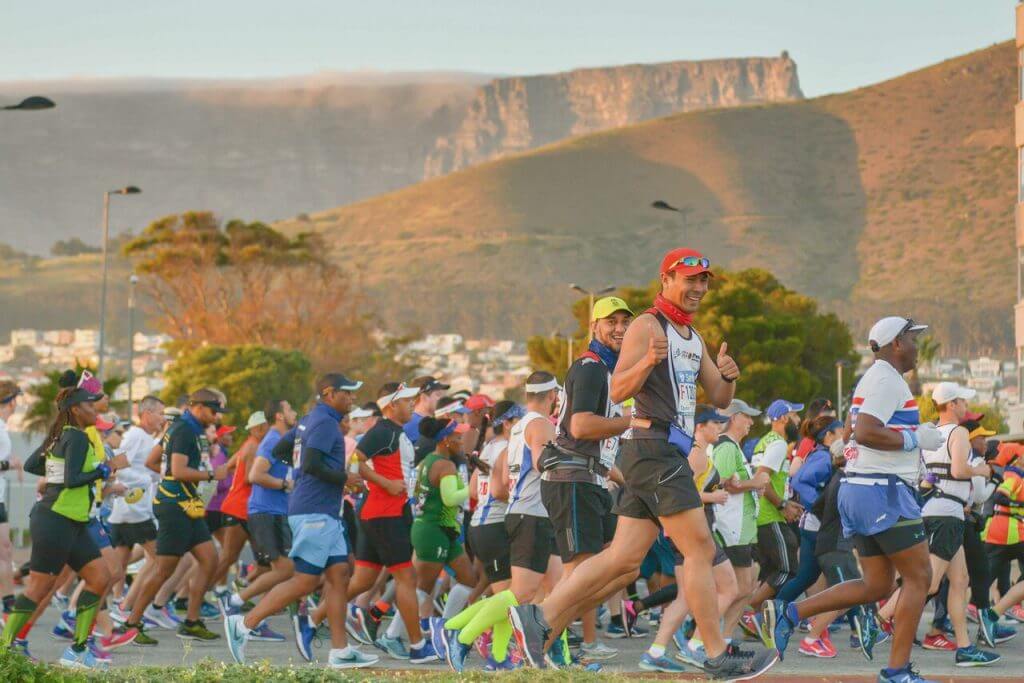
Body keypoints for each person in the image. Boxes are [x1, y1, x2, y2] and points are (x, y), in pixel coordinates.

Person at [509, 248, 776, 679]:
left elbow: (720, 399)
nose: (698, 288)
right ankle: (714, 653)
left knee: (622, 559)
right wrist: (649, 360)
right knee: (701, 549)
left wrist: (728, 374)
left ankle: (539, 618)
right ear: (666, 279)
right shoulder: (646, 326)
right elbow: (618, 391)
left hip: (657, 451)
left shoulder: (693, 337)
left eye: (704, 281)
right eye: (689, 279)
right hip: (653, 448)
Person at [764, 316, 944, 683]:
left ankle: (792, 613)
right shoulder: (886, 379)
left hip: (864, 489)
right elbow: (862, 432)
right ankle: (896, 671)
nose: (916, 345)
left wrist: (907, 435)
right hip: (883, 492)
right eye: (912, 338)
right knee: (920, 577)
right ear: (895, 343)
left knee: (877, 586)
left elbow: (848, 432)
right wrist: (914, 440)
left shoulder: (873, 378)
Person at [226, 373, 380, 669]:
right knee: (306, 579)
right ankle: (244, 623)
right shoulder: (323, 423)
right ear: (328, 393)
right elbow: (310, 463)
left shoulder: (311, 420)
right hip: (315, 511)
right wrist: (342, 478)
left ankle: (340, 651)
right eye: (347, 393)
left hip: (322, 509)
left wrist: (304, 477)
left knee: (339, 576)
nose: (352, 398)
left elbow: (283, 451)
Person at [436, 371, 563, 672]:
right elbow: (544, 464)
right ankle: (462, 635)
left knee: (527, 591)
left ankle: (462, 630)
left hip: (518, 514)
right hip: (530, 515)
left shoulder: (518, 429)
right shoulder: (541, 425)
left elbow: (503, 482)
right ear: (552, 395)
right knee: (520, 594)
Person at [1, 372, 127, 669]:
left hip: (73, 520)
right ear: (75, 409)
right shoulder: (77, 437)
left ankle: (78, 651)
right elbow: (72, 480)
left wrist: (54, 475)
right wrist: (106, 470)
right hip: (56, 519)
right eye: (90, 405)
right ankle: (7, 648)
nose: (95, 410)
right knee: (38, 588)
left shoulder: (61, 435)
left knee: (101, 577)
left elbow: (33, 465)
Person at [544, 296, 633, 663]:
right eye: (610, 321)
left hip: (587, 478)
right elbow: (580, 426)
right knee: (577, 574)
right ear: (593, 327)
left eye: (624, 322)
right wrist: (632, 421)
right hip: (572, 478)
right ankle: (547, 644)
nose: (619, 329)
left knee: (608, 569)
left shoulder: (608, 371)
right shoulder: (590, 366)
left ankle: (550, 640)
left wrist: (620, 477)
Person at [121, 388, 228, 645]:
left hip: (188, 506)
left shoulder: (189, 429)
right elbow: (178, 471)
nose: (217, 418)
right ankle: (132, 624)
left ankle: (191, 621)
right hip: (174, 508)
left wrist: (175, 477)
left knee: (210, 559)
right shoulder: (184, 430)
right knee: (163, 569)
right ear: (199, 406)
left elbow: (152, 461)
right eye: (214, 411)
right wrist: (211, 475)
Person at [904, 383, 997, 664]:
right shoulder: (958, 433)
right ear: (952, 405)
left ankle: (965, 647)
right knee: (929, 583)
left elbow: (923, 476)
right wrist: (981, 469)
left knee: (960, 580)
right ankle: (879, 621)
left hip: (934, 508)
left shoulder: (930, 432)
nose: (967, 407)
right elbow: (958, 470)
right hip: (948, 515)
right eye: (963, 402)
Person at [348, 382, 437, 663]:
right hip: (385, 513)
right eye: (407, 400)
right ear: (390, 405)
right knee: (406, 578)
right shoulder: (383, 430)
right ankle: (417, 646)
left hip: (384, 513)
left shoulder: (395, 432)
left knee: (362, 580)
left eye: (414, 399)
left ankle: (313, 618)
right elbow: (355, 459)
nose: (413, 403)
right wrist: (384, 482)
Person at [224, 400, 298, 615]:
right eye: (290, 409)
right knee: (285, 569)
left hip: (275, 512)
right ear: (280, 416)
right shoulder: (272, 440)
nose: (295, 413)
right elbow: (255, 475)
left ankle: (258, 616)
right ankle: (236, 601)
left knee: (279, 570)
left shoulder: (281, 439)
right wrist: (285, 485)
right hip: (266, 512)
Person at [412, 418, 477, 636]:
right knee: (423, 588)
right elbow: (450, 499)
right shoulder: (445, 465)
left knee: (468, 579)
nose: (461, 440)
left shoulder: (427, 461)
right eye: (457, 437)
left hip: (441, 531)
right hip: (433, 530)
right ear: (445, 440)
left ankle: (445, 629)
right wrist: (473, 488)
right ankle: (392, 635)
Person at [712, 399, 768, 640]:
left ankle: (716, 636)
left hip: (738, 528)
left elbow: (734, 483)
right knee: (741, 588)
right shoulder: (726, 447)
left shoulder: (732, 447)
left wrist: (752, 487)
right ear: (734, 418)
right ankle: (712, 637)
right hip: (730, 527)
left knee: (742, 587)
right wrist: (754, 483)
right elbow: (723, 483)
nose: (751, 422)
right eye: (747, 416)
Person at [746, 399, 805, 623]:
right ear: (783, 419)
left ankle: (756, 619)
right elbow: (762, 478)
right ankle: (752, 611)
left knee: (770, 571)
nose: (799, 421)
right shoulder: (778, 443)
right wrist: (783, 505)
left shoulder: (765, 441)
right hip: (769, 516)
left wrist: (787, 502)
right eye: (795, 415)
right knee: (788, 570)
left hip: (762, 515)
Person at [0, 380, 24, 617]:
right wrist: (9, 463)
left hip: (0, 498)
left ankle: (7, 600)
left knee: (5, 549)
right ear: (11, 401)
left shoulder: (3, 428)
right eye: (16, 399)